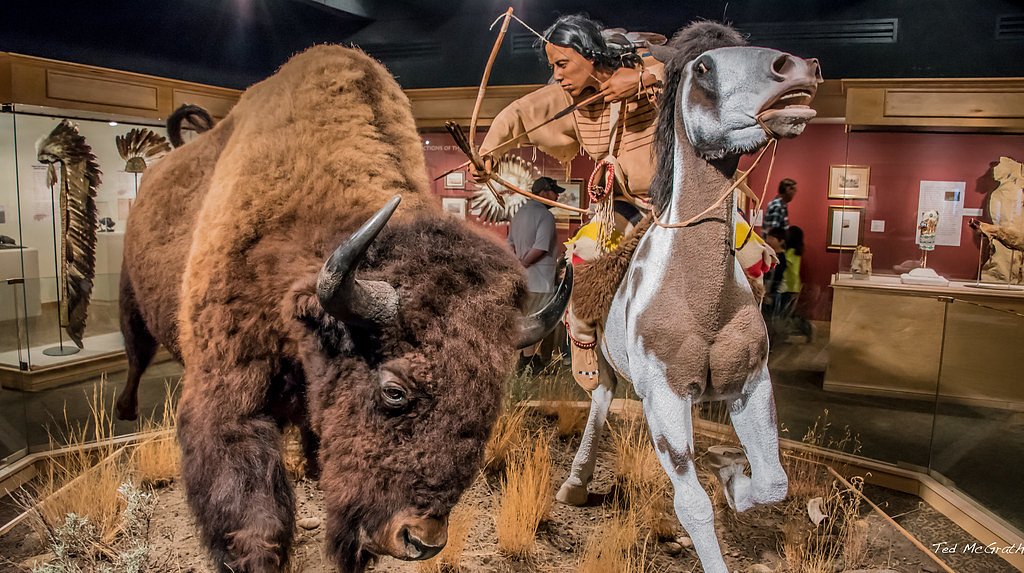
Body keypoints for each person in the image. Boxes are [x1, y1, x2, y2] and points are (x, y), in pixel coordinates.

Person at [473, 15, 774, 388]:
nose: (558, 74)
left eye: (563, 63)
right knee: (582, 256)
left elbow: (699, 71)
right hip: (626, 205)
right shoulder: (567, 98)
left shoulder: (648, 66)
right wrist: (487, 152)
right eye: (553, 66)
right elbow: (519, 114)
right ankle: (583, 340)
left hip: (686, 200)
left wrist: (644, 78)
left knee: (753, 258)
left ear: (590, 55)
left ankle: (742, 341)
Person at [508, 176, 562, 369]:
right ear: (544, 192)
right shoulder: (546, 216)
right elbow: (541, 248)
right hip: (540, 280)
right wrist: (524, 263)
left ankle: (525, 360)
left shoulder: (519, 213)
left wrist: (517, 266)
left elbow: (510, 245)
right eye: (555, 192)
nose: (557, 196)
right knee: (537, 322)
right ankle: (531, 362)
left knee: (525, 319)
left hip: (523, 279)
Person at [778, 225, 813, 340]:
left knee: (786, 312)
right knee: (788, 312)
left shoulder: (791, 251)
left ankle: (804, 329)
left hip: (789, 286)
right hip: (792, 285)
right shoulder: (796, 251)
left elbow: (787, 264)